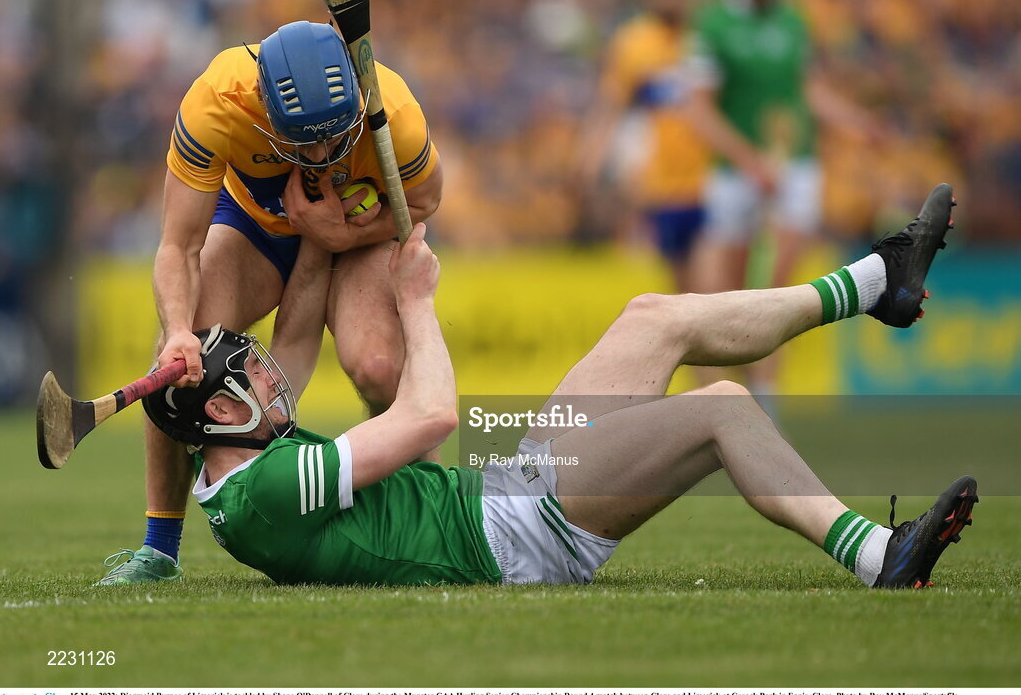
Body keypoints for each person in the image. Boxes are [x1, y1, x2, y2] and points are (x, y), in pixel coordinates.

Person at [117, 184, 977, 591]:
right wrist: (418, 304)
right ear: (226, 411)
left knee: (653, 317)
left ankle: (877, 284)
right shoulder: (264, 492)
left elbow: (300, 322)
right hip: (517, 536)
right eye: (253, 370)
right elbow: (431, 416)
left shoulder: (241, 445)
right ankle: (877, 555)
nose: (273, 367)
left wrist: (313, 229)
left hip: (508, 488)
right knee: (721, 407)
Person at [97, 20, 443, 585]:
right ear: (263, 100)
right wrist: (182, 328)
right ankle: (159, 549)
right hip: (255, 232)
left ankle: (431, 507)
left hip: (364, 237)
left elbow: (425, 203)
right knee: (176, 361)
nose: (320, 152)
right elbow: (178, 244)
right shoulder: (218, 100)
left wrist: (337, 236)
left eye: (333, 136)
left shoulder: (394, 112)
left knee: (378, 366)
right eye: (302, 140)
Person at [687, 0, 885, 396]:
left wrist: (854, 121)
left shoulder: (793, 18)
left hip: (794, 161)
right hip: (735, 172)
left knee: (780, 280)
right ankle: (733, 386)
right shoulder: (715, 22)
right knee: (734, 291)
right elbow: (699, 107)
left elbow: (806, 90)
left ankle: (766, 387)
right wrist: (748, 159)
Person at [581, 0, 712, 293]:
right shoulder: (634, 43)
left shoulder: (708, 36)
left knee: (714, 284)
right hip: (663, 185)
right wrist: (589, 157)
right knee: (682, 288)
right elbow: (611, 104)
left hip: (711, 178)